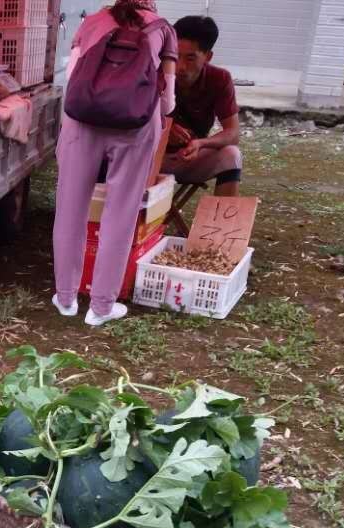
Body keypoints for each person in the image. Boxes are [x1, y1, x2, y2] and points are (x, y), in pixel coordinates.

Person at [51, 0, 178, 326]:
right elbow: (168, 102)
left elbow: (72, 78)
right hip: (134, 127)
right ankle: (101, 307)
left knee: (70, 211)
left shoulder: (92, 22)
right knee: (120, 217)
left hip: (81, 122)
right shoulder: (163, 29)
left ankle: (65, 298)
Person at [163, 15, 242, 196]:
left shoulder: (220, 79)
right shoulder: (157, 72)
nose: (180, 66)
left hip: (190, 158)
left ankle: (223, 223)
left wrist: (201, 143)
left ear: (208, 56)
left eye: (190, 58)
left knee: (232, 155)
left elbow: (233, 133)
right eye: (175, 56)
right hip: (151, 160)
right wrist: (164, 129)